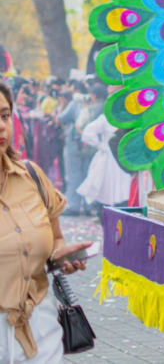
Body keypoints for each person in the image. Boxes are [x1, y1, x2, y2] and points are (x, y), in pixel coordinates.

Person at [0, 81, 92, 364]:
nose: (2, 126)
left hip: (41, 327)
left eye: (4, 115)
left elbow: (56, 239)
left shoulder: (32, 176)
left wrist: (60, 255)